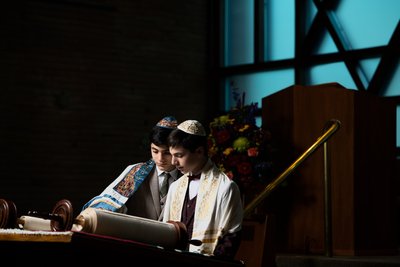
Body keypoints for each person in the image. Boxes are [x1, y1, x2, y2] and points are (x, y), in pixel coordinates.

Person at [163, 119, 243, 258]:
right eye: (172, 155)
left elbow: (231, 238)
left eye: (179, 155)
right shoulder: (175, 187)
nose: (173, 162)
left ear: (199, 151)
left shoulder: (226, 187)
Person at [81, 116, 181, 221]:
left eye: (167, 153)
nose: (160, 159)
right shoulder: (136, 172)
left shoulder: (188, 177)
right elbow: (109, 204)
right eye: (155, 151)